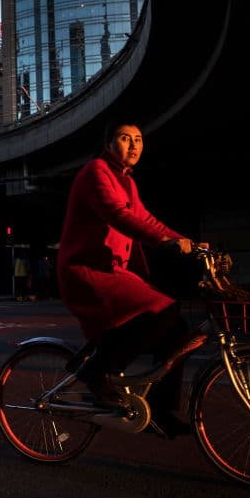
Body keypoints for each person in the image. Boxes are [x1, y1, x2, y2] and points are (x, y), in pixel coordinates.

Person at [56, 119, 207, 438]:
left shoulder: (127, 181)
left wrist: (188, 243)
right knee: (164, 309)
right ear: (109, 144)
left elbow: (145, 218)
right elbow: (118, 215)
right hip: (86, 271)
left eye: (139, 139)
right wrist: (164, 242)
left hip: (112, 272)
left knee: (178, 330)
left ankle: (162, 411)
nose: (134, 145)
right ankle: (97, 372)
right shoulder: (97, 172)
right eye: (125, 139)